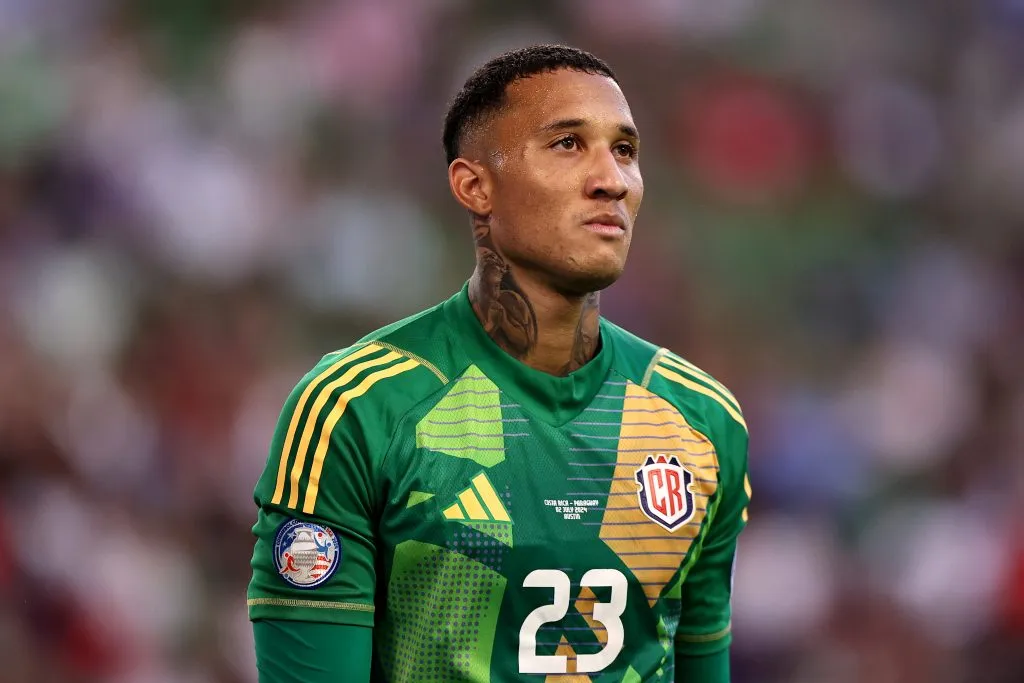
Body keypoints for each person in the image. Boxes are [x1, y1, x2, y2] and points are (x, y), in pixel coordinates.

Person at [248, 44, 751, 683]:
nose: (612, 180)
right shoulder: (358, 410)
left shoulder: (699, 420)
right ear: (474, 186)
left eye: (624, 150)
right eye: (568, 144)